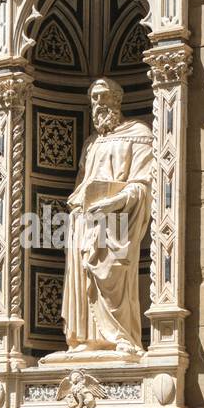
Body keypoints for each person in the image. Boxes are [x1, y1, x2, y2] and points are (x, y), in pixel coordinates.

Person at [61, 77, 152, 355]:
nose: (99, 103)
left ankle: (121, 338)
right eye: (94, 98)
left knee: (115, 280)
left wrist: (113, 202)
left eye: (104, 96)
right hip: (84, 222)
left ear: (118, 99)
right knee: (83, 281)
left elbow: (144, 185)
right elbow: (81, 185)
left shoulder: (139, 134)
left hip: (118, 223)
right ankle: (87, 340)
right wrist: (77, 202)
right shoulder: (90, 143)